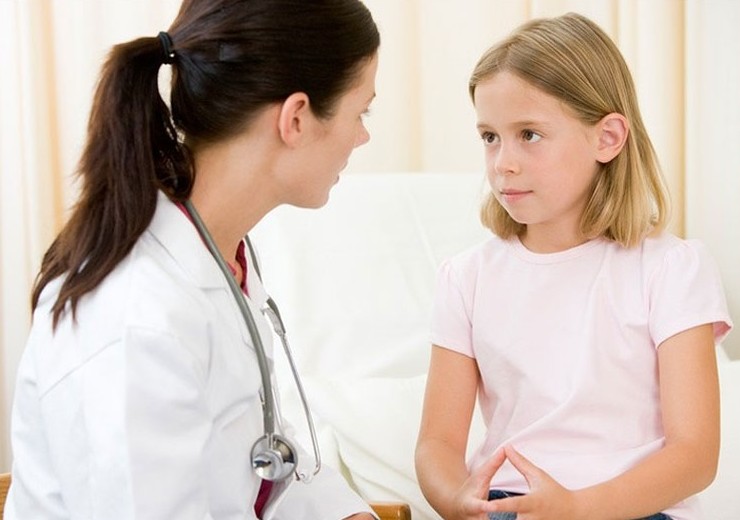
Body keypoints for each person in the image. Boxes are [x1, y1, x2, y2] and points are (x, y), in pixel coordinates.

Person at [6, 0, 380, 519]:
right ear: (296, 118)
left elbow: (258, 454)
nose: (362, 136)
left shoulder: (220, 252)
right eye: (361, 112)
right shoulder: (135, 315)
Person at [415, 12, 732, 520]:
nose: (503, 162)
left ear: (607, 138)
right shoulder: (466, 279)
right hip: (510, 507)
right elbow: (437, 443)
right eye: (490, 137)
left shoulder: (672, 269)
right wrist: (455, 499)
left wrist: (578, 508)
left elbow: (694, 456)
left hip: (634, 510)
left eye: (529, 134)